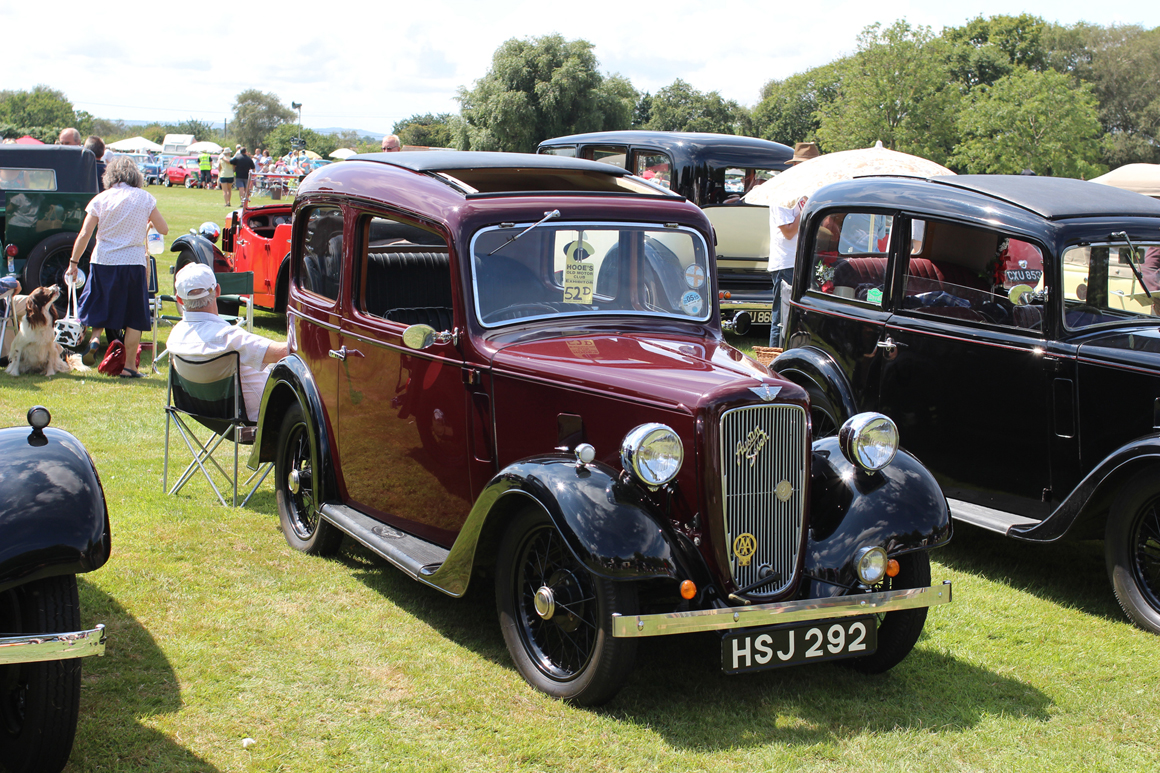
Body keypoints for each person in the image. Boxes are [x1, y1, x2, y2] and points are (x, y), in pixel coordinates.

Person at [65, 155, 169, 377]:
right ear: (136, 176)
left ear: (110, 176)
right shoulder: (145, 198)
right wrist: (147, 223)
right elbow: (164, 228)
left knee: (100, 304)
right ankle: (130, 367)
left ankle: (94, 340)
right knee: (134, 316)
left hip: (103, 259)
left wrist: (74, 262)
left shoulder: (101, 199)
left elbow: (85, 234)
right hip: (133, 261)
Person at [166, 263, 288, 420]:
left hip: (202, 412)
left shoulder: (174, 337)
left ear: (180, 300)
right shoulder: (228, 338)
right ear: (217, 290)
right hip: (258, 415)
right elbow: (285, 351)